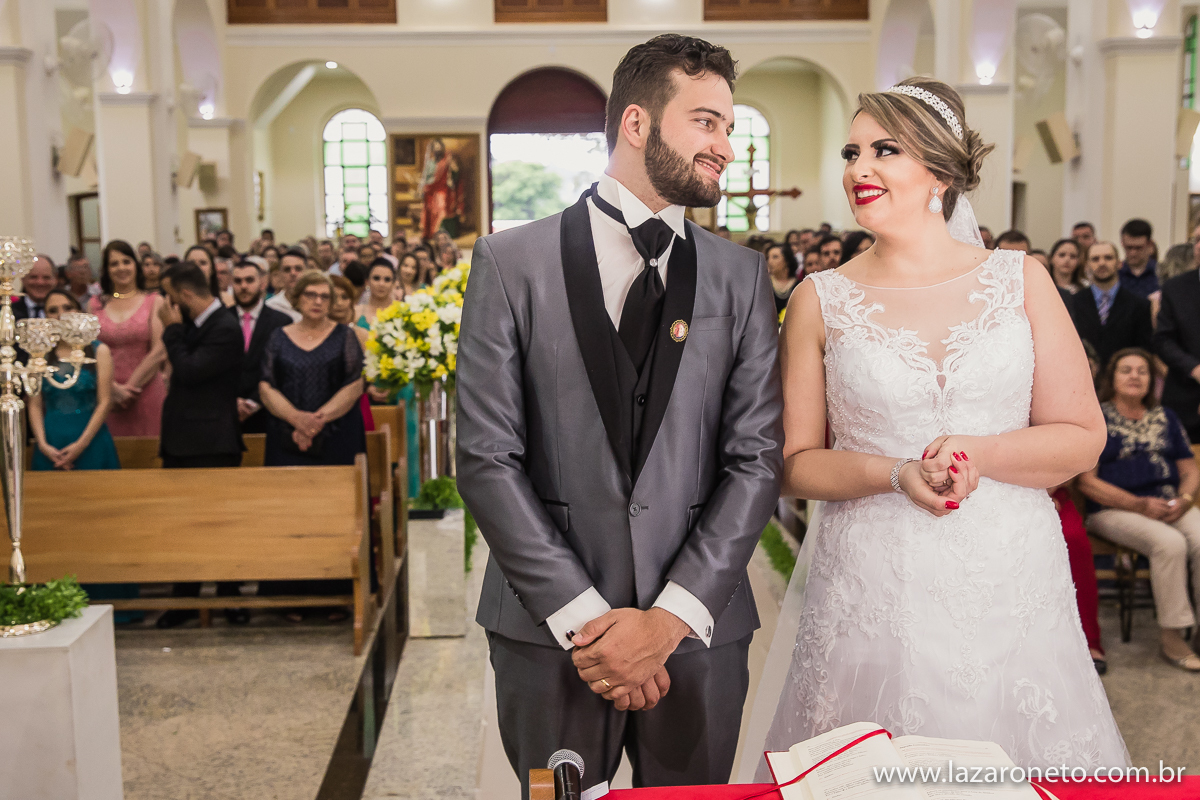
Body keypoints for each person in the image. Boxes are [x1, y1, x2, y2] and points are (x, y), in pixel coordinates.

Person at [753, 76, 1127, 772]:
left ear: (940, 172)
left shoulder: (1021, 279)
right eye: (851, 152)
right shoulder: (819, 299)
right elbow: (794, 461)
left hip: (1009, 573)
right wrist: (895, 473)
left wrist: (979, 452)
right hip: (873, 579)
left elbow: (1083, 435)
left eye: (884, 150)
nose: (858, 169)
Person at [457, 35, 783, 796]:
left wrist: (668, 619)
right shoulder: (510, 263)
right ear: (636, 123)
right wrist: (584, 620)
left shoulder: (739, 277)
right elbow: (486, 457)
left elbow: (756, 458)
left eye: (729, 127)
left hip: (697, 634)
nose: (725, 146)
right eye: (706, 122)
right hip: (550, 635)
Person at [1079, 349, 1200, 672]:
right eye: (1126, 370)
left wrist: (1185, 500)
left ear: (1151, 380)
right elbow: (1087, 482)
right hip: (1113, 509)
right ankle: (1173, 637)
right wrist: (1138, 505)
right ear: (1112, 378)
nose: (1135, 376)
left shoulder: (1166, 417)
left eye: (1142, 371)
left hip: (1169, 503)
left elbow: (1190, 469)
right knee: (1169, 544)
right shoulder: (1096, 417)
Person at [154, 260, 246, 628]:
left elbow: (190, 370)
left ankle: (230, 597)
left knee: (221, 524)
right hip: (184, 441)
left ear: (186, 295)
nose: (167, 304)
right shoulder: (194, 322)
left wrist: (172, 331)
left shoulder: (224, 327)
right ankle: (185, 600)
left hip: (212, 442)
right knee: (182, 525)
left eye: (170, 297)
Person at [258, 270, 366, 468]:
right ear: (298, 297)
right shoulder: (278, 337)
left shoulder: (345, 336)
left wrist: (316, 421)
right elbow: (266, 387)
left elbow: (355, 384)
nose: (317, 301)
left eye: (325, 297)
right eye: (310, 295)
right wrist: (297, 419)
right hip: (287, 435)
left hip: (336, 435)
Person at [29, 289, 120, 472]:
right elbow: (35, 404)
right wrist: (43, 444)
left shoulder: (99, 351)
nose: (61, 315)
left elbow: (105, 402)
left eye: (67, 307)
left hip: (91, 439)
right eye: (53, 310)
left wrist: (81, 445)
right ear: (46, 317)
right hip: (51, 441)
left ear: (79, 311)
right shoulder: (39, 354)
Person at [89, 240, 168, 437]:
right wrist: (112, 389)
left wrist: (129, 389)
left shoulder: (154, 301)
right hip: (106, 394)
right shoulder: (95, 305)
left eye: (126, 261)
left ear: (135, 265)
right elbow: (89, 350)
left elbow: (159, 350)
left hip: (147, 390)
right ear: (106, 270)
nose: (121, 268)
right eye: (114, 264)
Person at [229, 260, 292, 435]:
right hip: (226, 413)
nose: (243, 286)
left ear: (262, 283)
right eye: (238, 281)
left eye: (249, 280)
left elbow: (282, 369)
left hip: (268, 413)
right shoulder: (220, 320)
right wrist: (231, 402)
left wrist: (253, 402)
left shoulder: (281, 322)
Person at [1070, 241, 1153, 372]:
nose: (1102, 263)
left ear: (1119, 263)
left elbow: (1143, 350)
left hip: (1123, 376)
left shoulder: (1139, 305)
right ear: (1087, 265)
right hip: (1082, 373)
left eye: (1108, 258)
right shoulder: (1072, 303)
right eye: (1095, 259)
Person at [1154, 242, 1200, 442]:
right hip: (1185, 394)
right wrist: (1194, 368)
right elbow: (1163, 339)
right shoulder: (1175, 287)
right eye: (1197, 240)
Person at [331, 274, 377, 434]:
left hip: (356, 404)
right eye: (334, 297)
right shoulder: (313, 336)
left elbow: (371, 374)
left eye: (344, 297)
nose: (339, 303)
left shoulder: (361, 335)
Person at [1119, 218, 1158, 299]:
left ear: (1149, 244)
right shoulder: (1115, 275)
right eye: (1129, 247)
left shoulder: (1161, 274)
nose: (1133, 253)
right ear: (1122, 243)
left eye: (1138, 248)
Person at [265, 249, 306, 321]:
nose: (293, 273)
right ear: (280, 274)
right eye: (287, 269)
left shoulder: (317, 303)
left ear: (307, 272)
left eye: (298, 269)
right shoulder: (271, 307)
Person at [12, 253, 56, 321]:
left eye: (46, 277)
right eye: (33, 277)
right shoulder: (10, 312)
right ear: (23, 278)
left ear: (55, 279)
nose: (40, 282)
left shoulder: (65, 312)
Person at [765, 242, 799, 314]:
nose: (770, 261)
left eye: (775, 257)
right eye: (768, 258)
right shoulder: (764, 284)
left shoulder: (798, 285)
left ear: (787, 260)